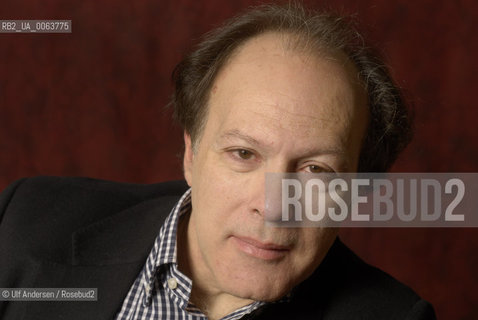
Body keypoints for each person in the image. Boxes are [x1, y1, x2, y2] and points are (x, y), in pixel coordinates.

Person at [0, 3, 436, 320]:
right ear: (191, 153)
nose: (272, 207)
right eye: (243, 154)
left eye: (316, 170)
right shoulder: (26, 223)